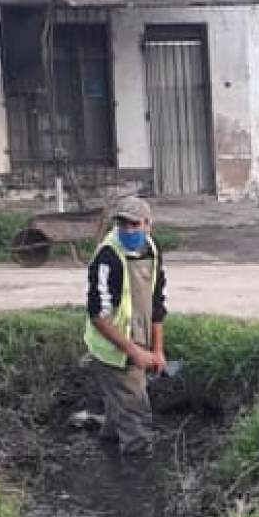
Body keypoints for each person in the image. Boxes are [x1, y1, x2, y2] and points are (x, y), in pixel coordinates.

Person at [84, 194, 168, 455]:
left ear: (148, 224)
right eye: (123, 225)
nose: (129, 231)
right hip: (112, 349)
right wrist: (135, 352)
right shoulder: (108, 257)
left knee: (120, 408)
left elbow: (156, 302)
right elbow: (99, 316)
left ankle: (108, 454)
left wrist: (157, 350)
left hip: (137, 339)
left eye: (135, 225)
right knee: (137, 419)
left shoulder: (152, 250)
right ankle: (137, 477)